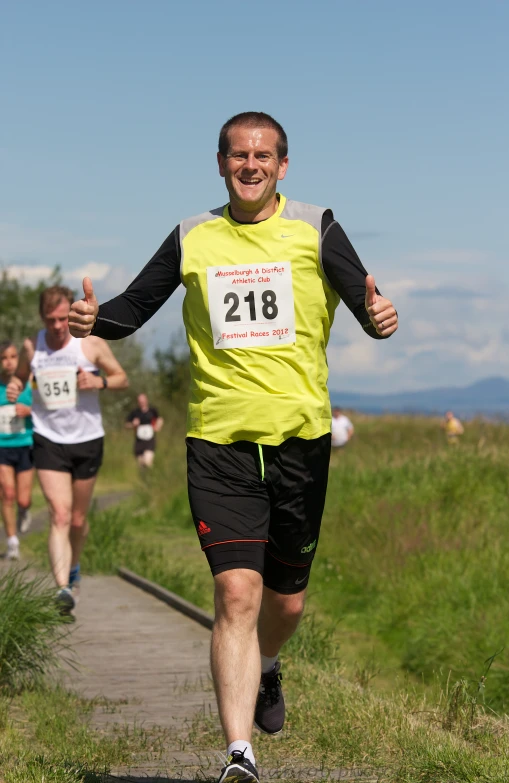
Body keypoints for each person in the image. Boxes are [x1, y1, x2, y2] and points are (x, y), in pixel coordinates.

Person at [68, 111, 398, 783]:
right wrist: (91, 320)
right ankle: (240, 753)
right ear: (219, 163)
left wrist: (381, 320)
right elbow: (133, 307)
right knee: (236, 593)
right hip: (218, 440)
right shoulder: (194, 236)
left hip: (299, 442)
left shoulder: (315, 225)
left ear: (282, 165)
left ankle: (268, 667)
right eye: (239, 154)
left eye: (264, 155)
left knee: (286, 602)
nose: (251, 165)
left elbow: (367, 304)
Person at [7, 286, 128, 614]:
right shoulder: (34, 345)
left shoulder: (90, 344)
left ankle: (74, 568)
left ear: (70, 314)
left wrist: (99, 382)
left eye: (63, 318)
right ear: (42, 317)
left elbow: (121, 378)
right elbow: (19, 378)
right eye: (51, 320)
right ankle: (61, 588)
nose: (58, 326)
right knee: (59, 514)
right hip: (48, 439)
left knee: (77, 519)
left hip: (87, 439)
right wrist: (17, 386)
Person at [0, 340, 34, 560]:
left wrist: (29, 410)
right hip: (2, 447)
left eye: (13, 356)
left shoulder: (29, 384)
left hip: (25, 445)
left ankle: (25, 510)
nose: (9, 362)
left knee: (23, 499)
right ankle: (12, 542)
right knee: (7, 494)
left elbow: (47, 408)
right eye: (4, 358)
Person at [125, 393, 164, 469]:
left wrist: (157, 426)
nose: (142, 403)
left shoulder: (152, 410)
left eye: (143, 401)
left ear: (146, 401)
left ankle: (152, 476)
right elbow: (126, 424)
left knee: (148, 461)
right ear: (138, 402)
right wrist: (133, 424)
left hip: (150, 439)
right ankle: (145, 479)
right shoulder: (135, 412)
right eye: (140, 401)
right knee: (141, 464)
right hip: (139, 440)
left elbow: (160, 419)